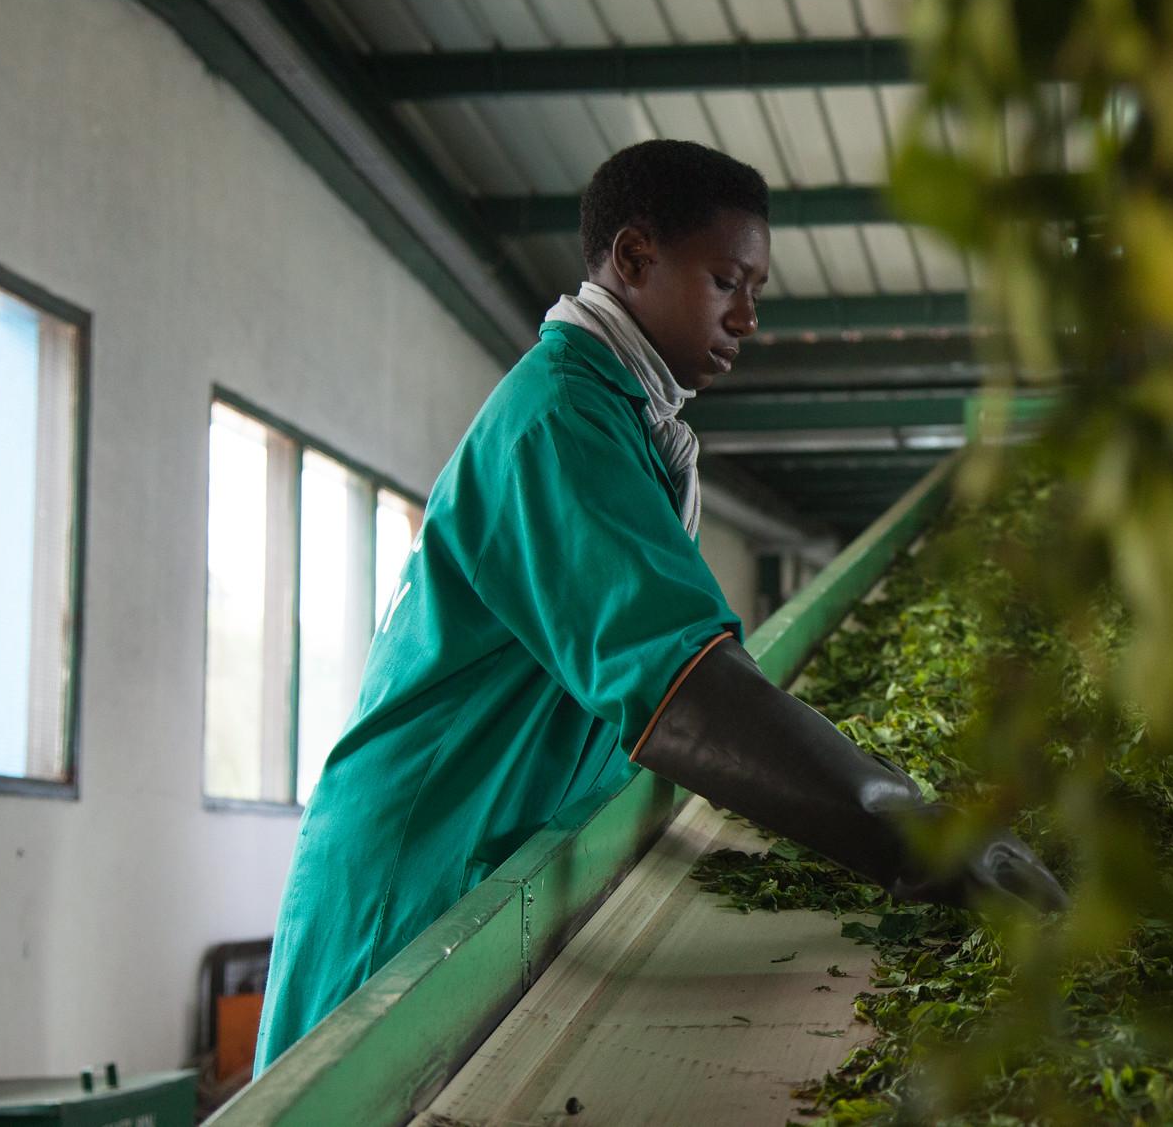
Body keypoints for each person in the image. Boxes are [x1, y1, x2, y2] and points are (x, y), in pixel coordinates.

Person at [253, 140, 1064, 1072]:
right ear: (635, 260)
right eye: (728, 281)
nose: (748, 316)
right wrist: (916, 836)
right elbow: (686, 687)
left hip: (480, 833)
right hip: (418, 868)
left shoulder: (621, 415)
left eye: (755, 289)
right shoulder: (560, 419)